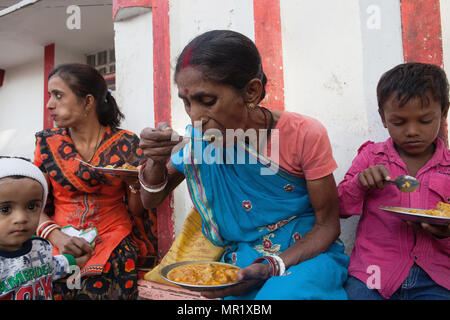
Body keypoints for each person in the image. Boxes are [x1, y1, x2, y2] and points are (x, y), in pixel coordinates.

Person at [138, 30, 349, 299]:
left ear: (251, 90)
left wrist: (272, 266)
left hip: (303, 256)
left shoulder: (303, 134)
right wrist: (155, 160)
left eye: (207, 101)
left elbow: (327, 226)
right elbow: (150, 199)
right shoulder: (200, 143)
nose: (195, 117)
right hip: (241, 261)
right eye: (187, 103)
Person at [33, 63, 157, 300]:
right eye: (50, 96)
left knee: (112, 272)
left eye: (58, 95)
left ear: (88, 101)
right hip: (57, 237)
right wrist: (58, 237)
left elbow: (137, 209)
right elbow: (32, 205)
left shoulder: (127, 143)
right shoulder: (46, 144)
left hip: (113, 238)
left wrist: (134, 181)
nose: (49, 104)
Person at [338, 62, 450, 300]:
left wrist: (445, 231)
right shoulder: (371, 157)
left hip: (436, 277)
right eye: (399, 122)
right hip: (373, 274)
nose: (411, 131)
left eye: (425, 121)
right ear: (383, 118)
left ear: (443, 113)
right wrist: (359, 183)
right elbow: (339, 207)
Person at [0, 157, 90, 300]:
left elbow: (49, 267)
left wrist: (73, 261)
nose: (21, 218)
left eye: (31, 207)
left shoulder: (40, 246)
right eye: (5, 209)